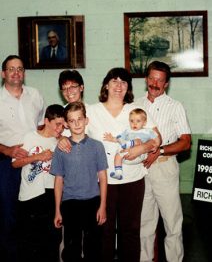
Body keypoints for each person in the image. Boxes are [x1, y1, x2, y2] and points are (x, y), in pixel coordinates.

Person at [58, 68, 160, 262]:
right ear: (106, 84)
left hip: (133, 180)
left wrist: (142, 147)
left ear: (128, 87)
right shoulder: (93, 111)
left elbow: (157, 138)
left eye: (123, 82)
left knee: (129, 231)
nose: (119, 86)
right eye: (114, 81)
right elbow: (72, 130)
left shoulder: (136, 110)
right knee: (103, 232)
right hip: (101, 182)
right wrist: (60, 140)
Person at [137, 61, 191, 262]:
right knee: (144, 223)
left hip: (164, 167)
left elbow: (186, 142)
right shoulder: (136, 105)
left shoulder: (175, 106)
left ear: (166, 83)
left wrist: (158, 150)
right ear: (146, 79)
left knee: (172, 223)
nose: (154, 83)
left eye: (160, 80)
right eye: (151, 78)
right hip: (141, 170)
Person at [0, 55, 45, 262]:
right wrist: (8, 150)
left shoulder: (35, 95)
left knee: (33, 215)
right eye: (11, 69)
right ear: (3, 74)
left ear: (24, 73)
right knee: (9, 216)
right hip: (6, 164)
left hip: (34, 163)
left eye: (20, 68)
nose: (16, 72)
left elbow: (41, 126)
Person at [51, 102, 108, 262]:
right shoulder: (61, 148)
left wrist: (103, 206)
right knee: (71, 247)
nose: (76, 123)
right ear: (67, 124)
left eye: (80, 119)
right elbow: (58, 180)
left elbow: (103, 178)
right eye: (72, 120)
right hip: (70, 203)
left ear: (86, 120)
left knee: (94, 246)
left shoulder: (97, 146)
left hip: (93, 201)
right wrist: (57, 209)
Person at [12, 104, 65, 262]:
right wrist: (37, 157)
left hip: (50, 194)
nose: (60, 128)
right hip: (29, 195)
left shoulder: (60, 143)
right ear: (47, 121)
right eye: (57, 124)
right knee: (28, 243)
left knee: (51, 243)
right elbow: (15, 163)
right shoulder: (30, 136)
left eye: (63, 125)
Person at [104, 108, 159, 180]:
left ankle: (127, 144)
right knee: (117, 155)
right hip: (126, 155)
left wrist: (156, 146)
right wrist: (111, 139)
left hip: (140, 155)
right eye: (132, 121)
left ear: (144, 122)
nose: (134, 123)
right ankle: (118, 173)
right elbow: (119, 139)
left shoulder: (147, 131)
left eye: (138, 121)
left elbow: (156, 139)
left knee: (137, 141)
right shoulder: (127, 131)